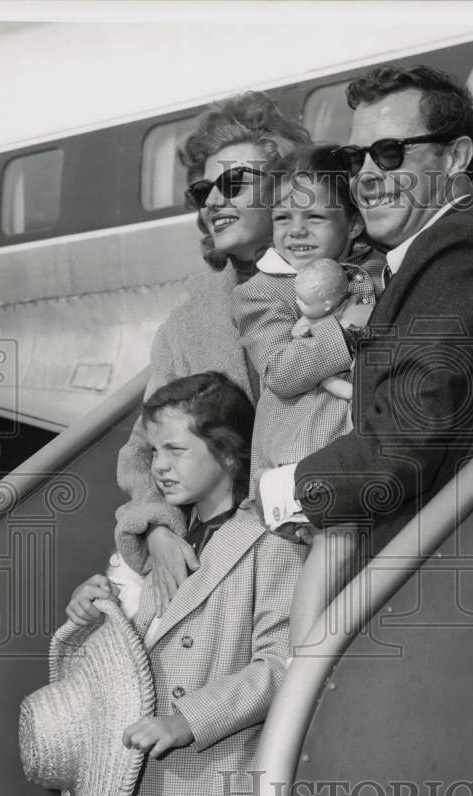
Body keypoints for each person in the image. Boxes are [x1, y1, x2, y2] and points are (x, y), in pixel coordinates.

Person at [258, 66, 473, 599]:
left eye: (388, 152)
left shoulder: (460, 255)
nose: (365, 174)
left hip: (419, 579)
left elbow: (404, 440)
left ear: (455, 159)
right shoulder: (416, 261)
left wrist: (281, 487)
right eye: (353, 157)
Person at [65, 372, 306, 796]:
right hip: (143, 787)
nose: (161, 468)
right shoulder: (158, 540)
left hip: (210, 779)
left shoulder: (267, 541)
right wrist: (91, 611)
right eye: (154, 452)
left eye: (176, 450)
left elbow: (281, 665)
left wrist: (185, 721)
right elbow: (131, 655)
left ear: (226, 451)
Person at [114, 92, 309, 617]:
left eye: (235, 183)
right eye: (205, 189)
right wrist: (155, 526)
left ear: (284, 186)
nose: (215, 201)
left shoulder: (333, 286)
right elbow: (142, 449)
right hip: (230, 566)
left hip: (322, 546)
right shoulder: (186, 323)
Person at [232, 143, 385, 649]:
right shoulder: (260, 293)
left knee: (351, 562)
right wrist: (344, 331)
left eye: (315, 216)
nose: (296, 230)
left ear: (354, 225)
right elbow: (279, 369)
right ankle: (303, 669)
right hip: (299, 457)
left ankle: (329, 662)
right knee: (327, 553)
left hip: (356, 446)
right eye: (282, 217)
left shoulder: (372, 275)